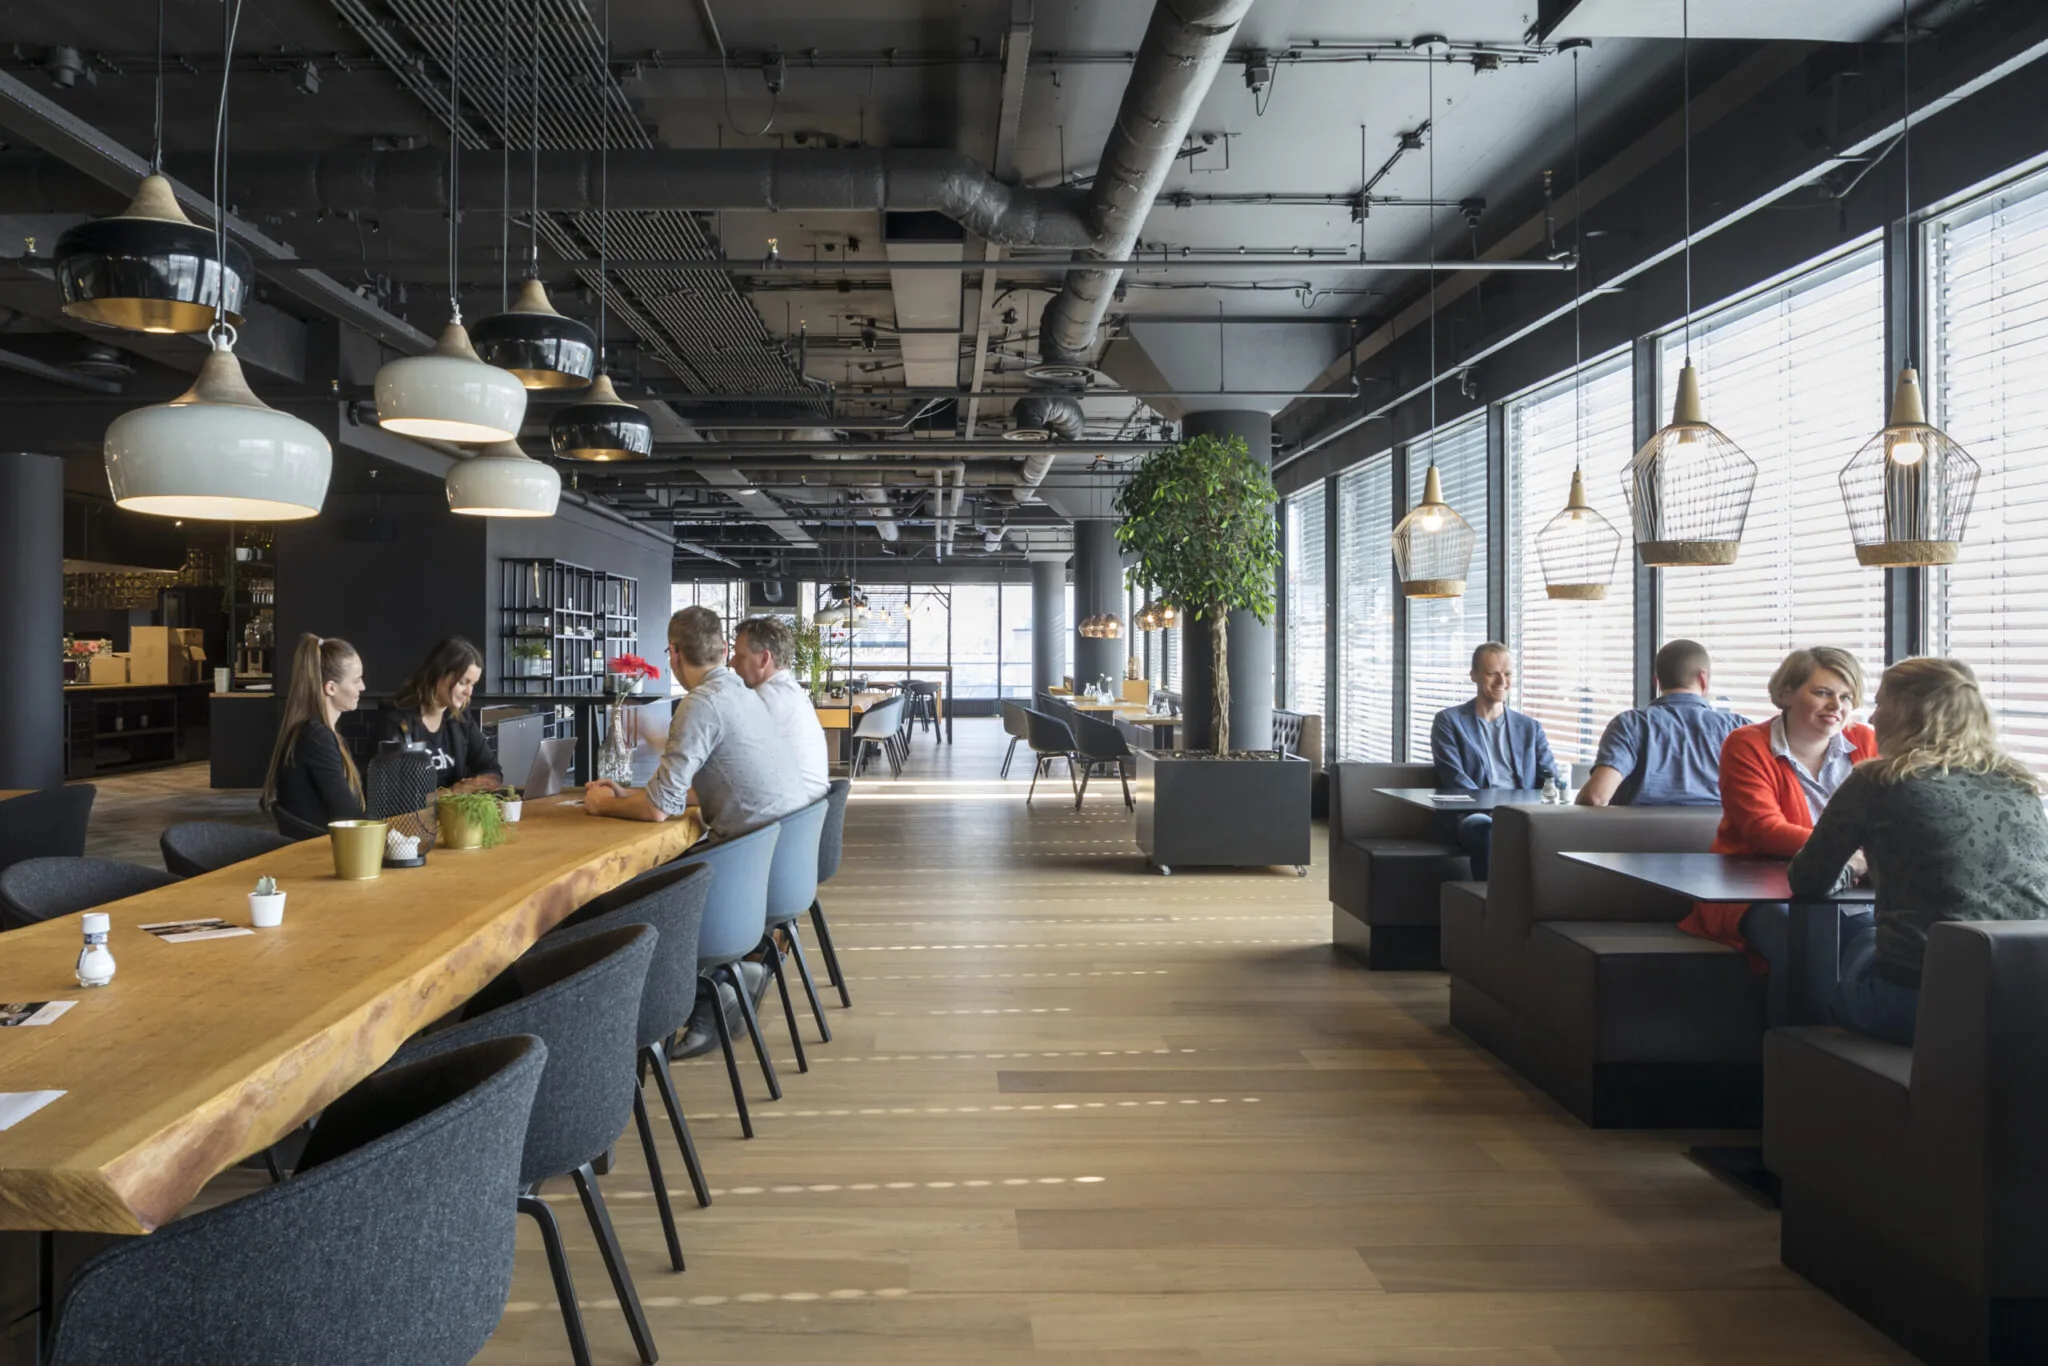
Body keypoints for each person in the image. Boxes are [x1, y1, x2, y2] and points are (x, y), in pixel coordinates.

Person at [1789, 657, 2048, 1045]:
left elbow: (1808, 879)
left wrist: (1856, 866)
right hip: (2028, 1002)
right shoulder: (2021, 785)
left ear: (1906, 711)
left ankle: (1798, 1060)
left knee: (1861, 943)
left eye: (1880, 703)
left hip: (1925, 1004)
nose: (1872, 718)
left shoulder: (1879, 780)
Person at [1679, 647, 1880, 1024]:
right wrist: (1849, 854)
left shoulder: (1866, 742)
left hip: (1850, 887)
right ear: (1786, 692)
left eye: (1846, 696)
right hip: (1753, 891)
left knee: (1880, 936)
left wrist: (1859, 858)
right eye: (1823, 693)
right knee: (1802, 938)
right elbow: (1764, 829)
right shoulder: (1747, 744)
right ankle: (1793, 1053)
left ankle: (1851, 1048)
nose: (1836, 706)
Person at [583, 606, 806, 842]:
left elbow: (657, 810)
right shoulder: (742, 691)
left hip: (749, 851)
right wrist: (629, 795)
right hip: (785, 844)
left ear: (674, 653)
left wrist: (601, 804)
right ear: (724, 649)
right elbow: (719, 788)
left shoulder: (701, 702)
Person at [1428, 642, 1559, 879]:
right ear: (1474, 675)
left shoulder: (1530, 728)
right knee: (1485, 828)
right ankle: (1491, 899)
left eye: (1507, 674)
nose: (1502, 681)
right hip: (1472, 814)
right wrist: (1495, 812)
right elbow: (1454, 778)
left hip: (1523, 813)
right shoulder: (1449, 721)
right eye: (1492, 673)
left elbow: (1550, 779)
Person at [1577, 639, 1752, 806]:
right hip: (1718, 828)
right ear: (1703, 678)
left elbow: (1596, 797)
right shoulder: (1740, 728)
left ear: (1657, 682)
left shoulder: (1629, 725)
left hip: (1640, 828)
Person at [261, 634, 368, 827]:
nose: (363, 687)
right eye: (356, 680)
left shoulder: (313, 733)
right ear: (331, 688)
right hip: (321, 843)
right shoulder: (317, 738)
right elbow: (348, 814)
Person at [375, 635, 501, 793]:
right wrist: (452, 793)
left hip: (452, 809)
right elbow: (393, 795)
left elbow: (492, 769)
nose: (469, 692)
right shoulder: (395, 722)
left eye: (473, 684)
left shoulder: (461, 719)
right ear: (438, 674)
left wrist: (478, 783)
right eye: (463, 682)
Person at [730, 615, 830, 803]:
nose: (732, 663)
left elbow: (722, 760)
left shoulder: (765, 698)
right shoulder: (790, 692)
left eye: (740, 656)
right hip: (807, 811)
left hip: (788, 814)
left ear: (764, 658)